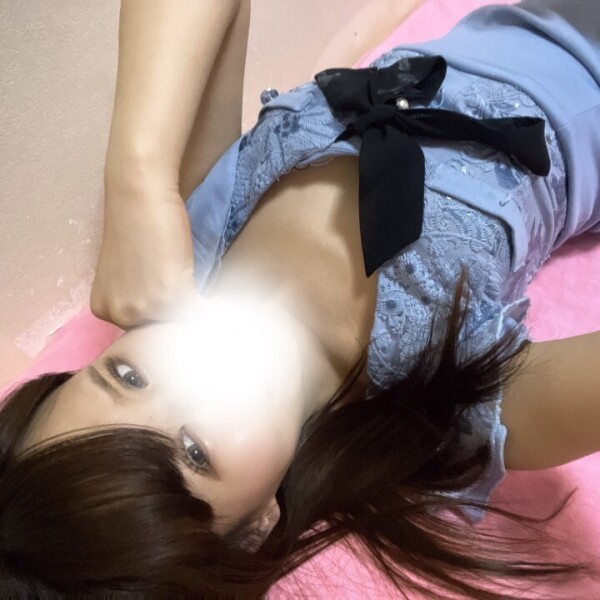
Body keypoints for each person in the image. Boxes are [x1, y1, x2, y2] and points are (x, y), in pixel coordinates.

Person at [1, 0, 599, 597]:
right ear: (256, 528)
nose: (185, 380)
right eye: (194, 451)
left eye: (127, 376)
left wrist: (137, 180)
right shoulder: (433, 407)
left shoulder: (193, 236)